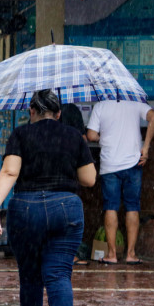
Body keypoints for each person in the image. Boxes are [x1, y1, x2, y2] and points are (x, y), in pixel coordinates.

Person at [0, 89, 96, 306]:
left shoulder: (21, 134)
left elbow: (10, 171)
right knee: (59, 274)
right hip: (66, 209)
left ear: (31, 111)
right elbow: (89, 179)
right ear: (59, 114)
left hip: (26, 209)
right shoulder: (73, 136)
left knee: (30, 275)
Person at [86, 99, 154, 265]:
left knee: (110, 206)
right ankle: (131, 254)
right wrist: (145, 147)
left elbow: (90, 135)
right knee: (132, 206)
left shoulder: (100, 106)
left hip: (110, 165)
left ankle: (111, 254)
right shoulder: (135, 103)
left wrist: (101, 137)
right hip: (133, 163)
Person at [60, 102, 91, 266]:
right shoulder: (72, 109)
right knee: (69, 212)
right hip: (69, 170)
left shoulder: (43, 109)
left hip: (44, 173)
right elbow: (83, 139)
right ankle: (70, 254)